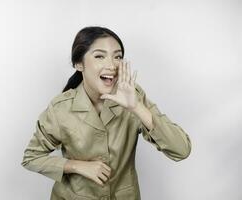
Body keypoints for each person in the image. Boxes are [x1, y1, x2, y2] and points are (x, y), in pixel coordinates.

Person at [21, 26, 192, 200]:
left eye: (117, 56)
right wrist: (76, 166)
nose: (111, 65)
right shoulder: (60, 108)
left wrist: (137, 108)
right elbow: (31, 158)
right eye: (99, 56)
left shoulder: (133, 95)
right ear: (79, 64)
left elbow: (181, 150)